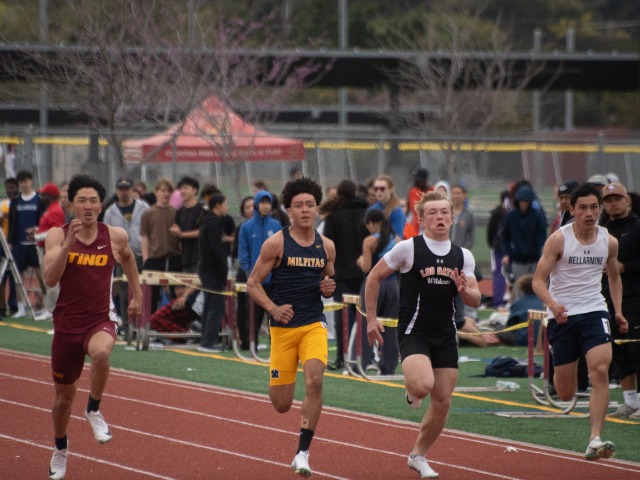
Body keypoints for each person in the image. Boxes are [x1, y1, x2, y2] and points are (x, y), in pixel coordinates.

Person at [364, 190, 481, 479]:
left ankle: (418, 455)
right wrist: (371, 319)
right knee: (423, 386)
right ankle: (412, 386)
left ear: (452, 217)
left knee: (443, 401)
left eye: (444, 212)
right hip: (414, 331)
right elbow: (374, 276)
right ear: (422, 219)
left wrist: (465, 290)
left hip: (445, 333)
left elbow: (476, 299)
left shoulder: (462, 256)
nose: (439, 217)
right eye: (433, 212)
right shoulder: (408, 248)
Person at [44, 174, 142, 480]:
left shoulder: (114, 236)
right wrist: (68, 245)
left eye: (94, 201)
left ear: (101, 205)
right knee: (63, 400)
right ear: (71, 205)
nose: (88, 206)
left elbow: (128, 259)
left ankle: (94, 408)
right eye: (82, 201)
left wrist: (137, 295)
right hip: (67, 326)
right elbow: (50, 279)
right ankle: (60, 447)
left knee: (101, 353)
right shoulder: (57, 236)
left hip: (100, 318)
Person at [246, 177, 336, 478]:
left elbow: (329, 280)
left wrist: (328, 287)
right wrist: (273, 308)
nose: (305, 210)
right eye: (299, 205)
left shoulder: (327, 246)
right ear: (289, 211)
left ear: (317, 208)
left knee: (315, 380)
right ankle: (279, 381)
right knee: (281, 404)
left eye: (310, 204)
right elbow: (252, 284)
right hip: (283, 330)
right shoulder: (276, 243)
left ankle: (302, 453)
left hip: (313, 324)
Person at [532, 182, 628, 461]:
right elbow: (538, 281)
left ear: (600, 209)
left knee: (600, 370)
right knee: (565, 392)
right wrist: (553, 305)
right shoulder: (558, 240)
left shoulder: (609, 241)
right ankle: (565, 370)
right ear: (572, 210)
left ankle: (594, 438)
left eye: (594, 207)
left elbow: (614, 277)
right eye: (583, 208)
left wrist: (617, 311)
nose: (589, 213)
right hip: (562, 315)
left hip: (595, 310)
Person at [600, 183, 640, 419]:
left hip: (634, 297)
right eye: (608, 200)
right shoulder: (602, 230)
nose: (613, 203)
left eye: (617, 198)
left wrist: (625, 267)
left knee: (636, 348)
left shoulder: (637, 227)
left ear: (627, 200)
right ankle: (630, 401)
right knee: (618, 349)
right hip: (607, 297)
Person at [321, 179, 368, 371]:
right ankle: (366, 356)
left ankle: (342, 356)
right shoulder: (366, 212)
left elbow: (327, 246)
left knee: (343, 316)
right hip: (364, 271)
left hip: (340, 272)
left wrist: (326, 272)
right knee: (364, 315)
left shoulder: (334, 215)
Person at [103, 178, 149, 336]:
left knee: (142, 292)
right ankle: (128, 326)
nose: (124, 192)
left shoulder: (143, 207)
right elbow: (106, 235)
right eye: (121, 189)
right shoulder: (110, 212)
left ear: (131, 190)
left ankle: (142, 326)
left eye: (127, 189)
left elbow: (149, 229)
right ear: (117, 191)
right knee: (124, 293)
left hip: (140, 255)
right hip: (120, 258)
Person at [357, 208, 399, 374]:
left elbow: (367, 267)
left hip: (374, 285)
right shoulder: (396, 240)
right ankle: (389, 365)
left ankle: (363, 363)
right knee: (390, 326)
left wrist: (360, 261)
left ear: (371, 223)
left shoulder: (370, 241)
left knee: (367, 322)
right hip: (393, 285)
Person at [238, 190, 282, 350]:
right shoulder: (246, 227)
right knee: (253, 317)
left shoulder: (276, 225)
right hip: (256, 282)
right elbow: (243, 254)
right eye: (262, 202)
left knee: (275, 316)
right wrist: (250, 274)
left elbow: (281, 251)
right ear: (257, 205)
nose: (266, 206)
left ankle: (276, 348)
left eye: (268, 202)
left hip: (273, 281)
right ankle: (252, 346)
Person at [8, 170, 45, 317]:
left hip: (35, 244)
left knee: (41, 275)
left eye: (26, 181)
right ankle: (21, 307)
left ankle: (46, 306)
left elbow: (43, 220)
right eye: (21, 182)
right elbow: (12, 222)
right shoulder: (16, 201)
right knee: (18, 277)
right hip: (20, 244)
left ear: (31, 181)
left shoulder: (39, 199)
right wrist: (11, 241)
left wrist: (39, 235)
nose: (24, 184)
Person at [140, 179, 181, 312]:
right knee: (152, 295)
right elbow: (145, 237)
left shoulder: (176, 213)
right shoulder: (148, 213)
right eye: (163, 190)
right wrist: (146, 258)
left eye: (169, 191)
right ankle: (151, 321)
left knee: (176, 293)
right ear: (156, 192)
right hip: (155, 258)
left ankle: (175, 320)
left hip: (174, 257)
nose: (166, 194)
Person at [197, 193, 229, 353]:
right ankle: (208, 341)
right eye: (225, 204)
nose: (226, 208)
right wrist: (223, 270)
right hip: (212, 270)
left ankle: (205, 338)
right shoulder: (213, 223)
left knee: (209, 304)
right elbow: (217, 250)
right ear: (217, 205)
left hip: (206, 268)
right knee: (216, 306)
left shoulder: (207, 221)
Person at [29, 182, 66, 321]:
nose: (41, 197)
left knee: (51, 281)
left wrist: (36, 237)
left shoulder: (55, 210)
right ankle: (50, 308)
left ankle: (52, 310)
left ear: (50, 196)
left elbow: (56, 231)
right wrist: (37, 230)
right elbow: (48, 228)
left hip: (49, 249)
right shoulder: (50, 209)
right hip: (45, 247)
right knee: (47, 280)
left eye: (44, 194)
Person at [501, 184, 547, 291]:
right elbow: (505, 238)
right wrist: (506, 254)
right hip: (517, 260)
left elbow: (542, 236)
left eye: (526, 201)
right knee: (518, 288)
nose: (523, 204)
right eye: (521, 201)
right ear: (517, 201)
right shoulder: (510, 216)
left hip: (534, 259)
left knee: (535, 288)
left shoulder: (537, 215)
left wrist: (542, 252)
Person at [170, 176, 208, 273]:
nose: (182, 191)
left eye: (186, 188)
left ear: (195, 190)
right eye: (181, 189)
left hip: (202, 259)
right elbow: (177, 232)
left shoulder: (203, 210)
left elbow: (203, 231)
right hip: (185, 259)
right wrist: (175, 233)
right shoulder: (179, 212)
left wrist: (181, 234)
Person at [496, 274, 544, 347]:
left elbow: (511, 325)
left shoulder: (518, 303)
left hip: (525, 340)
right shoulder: (546, 302)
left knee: (499, 329)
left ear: (522, 289)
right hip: (545, 339)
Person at [233, 196, 255, 350]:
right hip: (245, 272)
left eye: (254, 206)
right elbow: (236, 251)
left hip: (265, 273)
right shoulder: (241, 228)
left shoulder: (271, 225)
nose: (251, 209)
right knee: (243, 306)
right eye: (248, 207)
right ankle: (245, 339)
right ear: (243, 211)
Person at [486, 190, 511, 308]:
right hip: (501, 248)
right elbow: (491, 231)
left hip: (503, 247)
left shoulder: (498, 214)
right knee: (501, 273)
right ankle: (500, 301)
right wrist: (493, 244)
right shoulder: (498, 214)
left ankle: (501, 301)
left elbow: (490, 231)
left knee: (501, 273)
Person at [0, 177, 19, 316]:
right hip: (3, 243)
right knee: (3, 275)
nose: (10, 191)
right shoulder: (3, 205)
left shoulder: (19, 204)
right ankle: (2, 305)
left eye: (12, 187)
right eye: (8, 188)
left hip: (15, 243)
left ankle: (14, 305)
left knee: (14, 275)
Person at [369, 175, 406, 241]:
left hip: (390, 245)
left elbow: (397, 236)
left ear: (391, 190)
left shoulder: (397, 210)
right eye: (376, 189)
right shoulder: (372, 209)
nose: (378, 191)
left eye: (382, 189)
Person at [404, 168, 431, 238]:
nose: (416, 181)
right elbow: (414, 207)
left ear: (425, 180)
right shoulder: (414, 191)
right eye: (415, 179)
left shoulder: (431, 190)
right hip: (415, 226)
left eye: (418, 179)